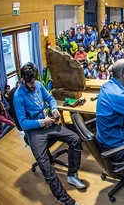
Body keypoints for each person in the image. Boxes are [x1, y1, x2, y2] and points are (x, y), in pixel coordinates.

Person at [13, 62, 85, 205]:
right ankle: (66, 200)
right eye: (31, 83)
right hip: (35, 131)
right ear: (23, 81)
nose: (34, 85)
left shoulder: (38, 84)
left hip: (48, 122)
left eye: (34, 81)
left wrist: (54, 109)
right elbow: (23, 123)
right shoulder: (18, 96)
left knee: (75, 138)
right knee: (45, 165)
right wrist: (42, 122)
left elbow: (50, 99)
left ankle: (72, 174)